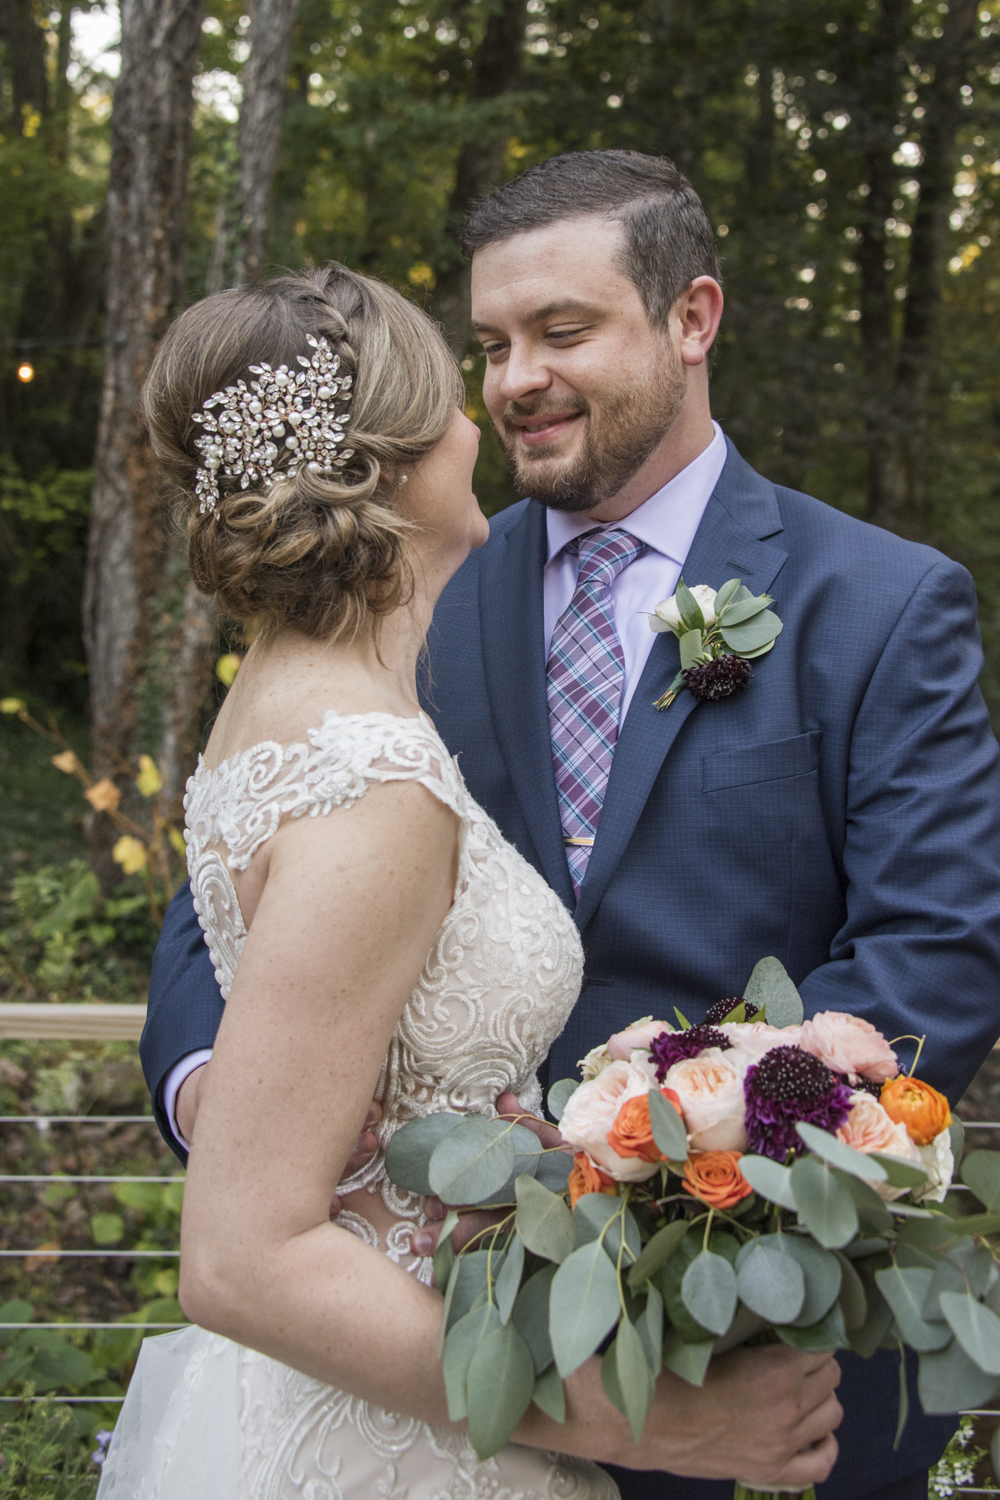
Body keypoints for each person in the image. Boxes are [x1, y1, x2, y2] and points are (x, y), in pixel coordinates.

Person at [139, 150, 1000, 1500]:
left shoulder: (881, 605)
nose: (516, 377)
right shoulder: (412, 599)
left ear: (692, 320)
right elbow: (232, 889)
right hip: (426, 1341)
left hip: (762, 1346)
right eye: (487, 345)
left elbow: (932, 954)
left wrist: (699, 1199)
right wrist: (230, 1096)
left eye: (562, 332)